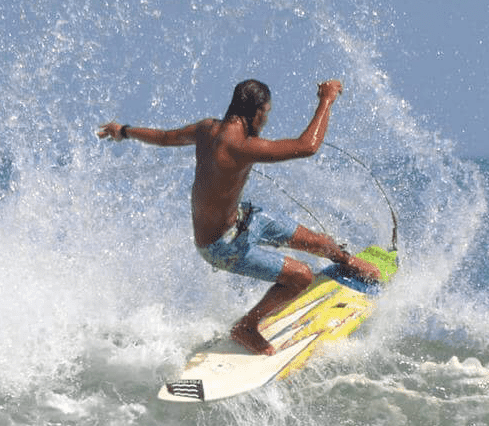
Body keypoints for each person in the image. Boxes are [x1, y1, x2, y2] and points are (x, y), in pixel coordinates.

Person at [98, 79, 382, 355]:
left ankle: (346, 262)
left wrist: (124, 130)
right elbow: (307, 146)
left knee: (320, 243)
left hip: (244, 217)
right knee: (302, 276)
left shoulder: (206, 128)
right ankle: (246, 327)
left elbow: (163, 138)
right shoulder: (241, 146)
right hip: (220, 245)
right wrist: (326, 100)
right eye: (267, 113)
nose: (267, 121)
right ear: (256, 112)